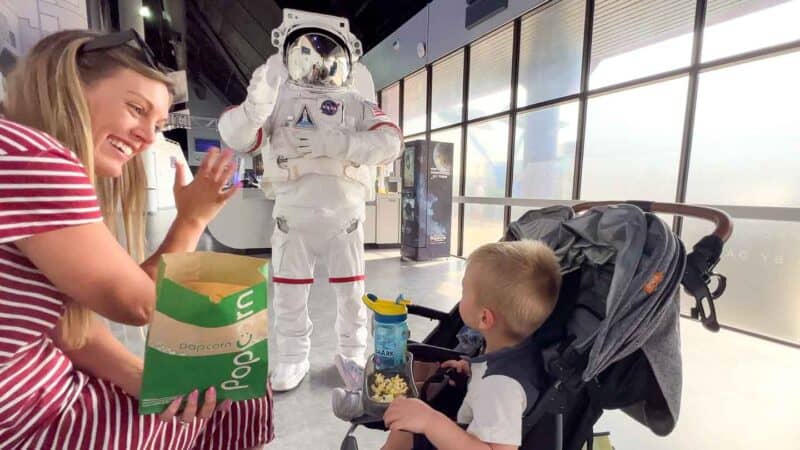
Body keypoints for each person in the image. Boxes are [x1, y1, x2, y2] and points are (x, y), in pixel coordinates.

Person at [0, 29, 272, 449]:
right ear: (69, 88)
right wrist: (193, 219)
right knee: (238, 393)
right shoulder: (36, 158)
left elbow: (69, 326)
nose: (148, 136)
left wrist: (140, 377)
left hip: (40, 389)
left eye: (158, 123)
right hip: (29, 420)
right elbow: (141, 302)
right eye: (135, 108)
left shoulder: (16, 147)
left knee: (221, 387)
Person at [218, 9, 402, 391]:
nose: (319, 65)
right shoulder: (277, 97)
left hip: (345, 220)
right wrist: (255, 108)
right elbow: (237, 136)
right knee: (288, 296)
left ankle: (352, 351)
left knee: (351, 296)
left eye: (328, 55)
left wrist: (339, 143)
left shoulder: (355, 101)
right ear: (289, 56)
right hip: (293, 220)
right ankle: (291, 357)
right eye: (307, 53)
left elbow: (391, 141)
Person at [381, 240, 562, 450]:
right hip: (469, 427)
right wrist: (471, 371)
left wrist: (430, 421)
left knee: (405, 430)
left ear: (484, 319)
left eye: (464, 291)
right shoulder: (515, 348)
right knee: (405, 428)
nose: (461, 298)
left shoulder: (501, 387)